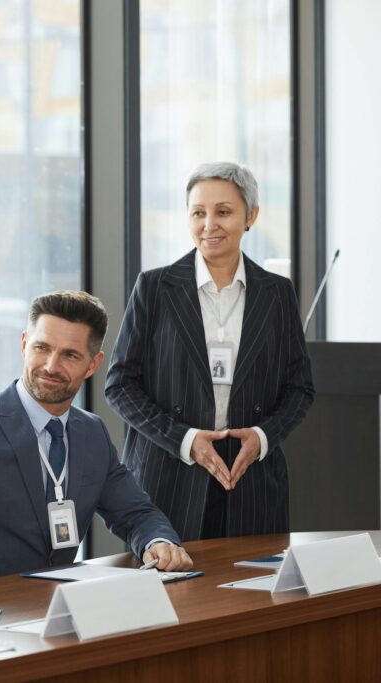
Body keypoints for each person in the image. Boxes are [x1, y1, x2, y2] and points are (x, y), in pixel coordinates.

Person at [0, 291, 192, 584]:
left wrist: (159, 540)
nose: (51, 366)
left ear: (93, 364)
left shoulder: (92, 433)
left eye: (70, 355)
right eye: (42, 348)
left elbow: (136, 513)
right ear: (24, 344)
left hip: (56, 608)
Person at [105, 161, 315, 541]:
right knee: (171, 595)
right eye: (198, 213)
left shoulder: (277, 293)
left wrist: (263, 437)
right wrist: (185, 440)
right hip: (169, 476)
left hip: (250, 479)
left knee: (255, 590)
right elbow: (119, 385)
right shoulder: (154, 288)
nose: (208, 225)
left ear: (251, 215)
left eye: (223, 212)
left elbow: (300, 388)